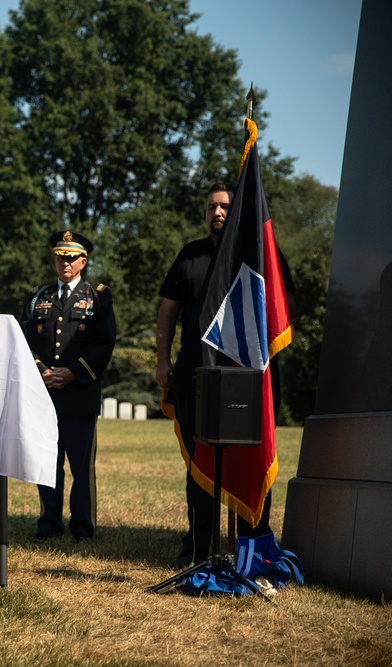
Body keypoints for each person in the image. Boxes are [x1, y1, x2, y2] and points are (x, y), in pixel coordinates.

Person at [155, 181, 295, 568]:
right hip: (197, 377)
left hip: (248, 381)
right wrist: (162, 360)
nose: (217, 213)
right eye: (211, 207)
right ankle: (198, 550)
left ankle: (253, 550)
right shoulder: (190, 254)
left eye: (224, 207)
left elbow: (285, 312)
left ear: (238, 212)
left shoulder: (263, 256)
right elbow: (168, 310)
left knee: (251, 460)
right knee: (200, 461)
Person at [20, 230, 116, 543]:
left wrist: (73, 373)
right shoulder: (39, 298)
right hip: (45, 394)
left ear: (83, 261)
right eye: (60, 256)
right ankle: (49, 523)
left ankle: (82, 528)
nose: (65, 262)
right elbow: (25, 341)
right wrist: (42, 371)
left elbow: (104, 343)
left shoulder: (98, 297)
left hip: (80, 394)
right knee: (48, 462)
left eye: (71, 257)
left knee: (81, 467)